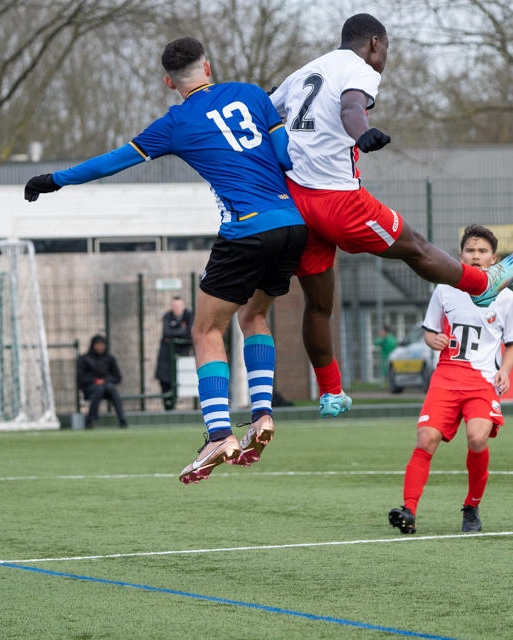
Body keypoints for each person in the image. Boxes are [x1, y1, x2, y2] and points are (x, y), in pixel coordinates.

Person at [24, 38, 307, 485]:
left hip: (247, 228)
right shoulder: (253, 94)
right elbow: (288, 155)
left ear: (168, 82)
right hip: (292, 224)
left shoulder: (175, 122)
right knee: (254, 316)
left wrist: (54, 180)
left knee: (206, 329)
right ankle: (262, 415)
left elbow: (111, 163)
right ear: (209, 66)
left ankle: (218, 433)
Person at [269, 14, 513, 419]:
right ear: (375, 43)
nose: (385, 57)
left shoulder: (306, 71)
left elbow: (268, 108)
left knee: (318, 306)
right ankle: (482, 282)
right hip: (337, 201)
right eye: (386, 49)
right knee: (416, 247)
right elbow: (352, 106)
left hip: (295, 201)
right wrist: (361, 132)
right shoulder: (359, 68)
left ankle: (331, 392)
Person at [389, 225, 513, 534]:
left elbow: (512, 343)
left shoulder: (506, 298)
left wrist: (505, 370)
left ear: (494, 259)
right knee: (425, 440)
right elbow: (430, 331)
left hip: (482, 381)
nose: (476, 256)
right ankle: (409, 510)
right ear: (460, 256)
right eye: (471, 251)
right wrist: (432, 339)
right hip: (446, 377)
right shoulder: (445, 289)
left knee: (477, 439)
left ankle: (472, 507)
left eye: (483, 251)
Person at [77, 335, 128, 429]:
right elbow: (80, 378)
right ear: (93, 345)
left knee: (111, 388)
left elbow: (117, 377)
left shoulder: (110, 359)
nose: (100, 347)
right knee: (98, 389)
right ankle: (90, 420)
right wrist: (95, 381)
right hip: (90, 388)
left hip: (107, 386)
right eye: (98, 344)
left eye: (102, 344)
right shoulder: (84, 359)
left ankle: (122, 420)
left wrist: (105, 380)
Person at [156, 296, 194, 410]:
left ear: (183, 306)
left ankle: (175, 406)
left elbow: (190, 332)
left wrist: (175, 335)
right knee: (164, 382)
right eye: (174, 306)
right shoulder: (168, 316)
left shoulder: (189, 315)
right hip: (166, 357)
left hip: (182, 357)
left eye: (178, 306)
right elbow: (166, 332)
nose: (176, 308)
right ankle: (168, 408)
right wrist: (181, 331)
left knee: (180, 382)